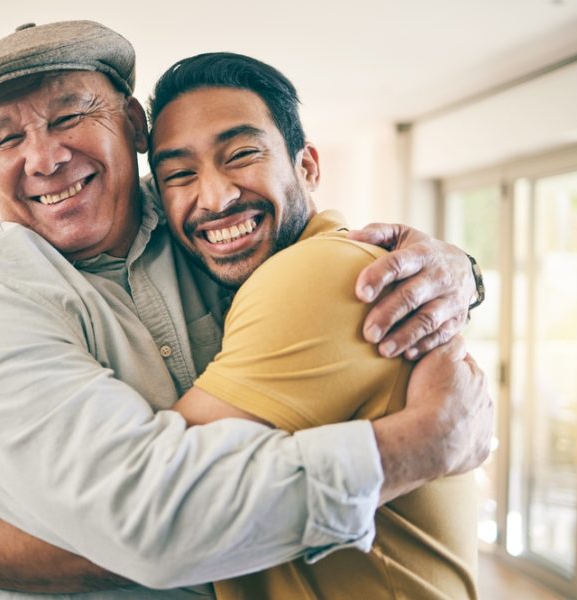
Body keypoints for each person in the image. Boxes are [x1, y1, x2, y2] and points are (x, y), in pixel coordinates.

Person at [0, 20, 491, 599]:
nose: (45, 157)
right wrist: (421, 447)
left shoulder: (204, 229)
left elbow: (314, 246)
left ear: (133, 125)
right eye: (5, 138)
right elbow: (155, 523)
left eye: (69, 116)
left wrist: (460, 270)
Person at [148, 51, 478, 599]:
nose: (215, 197)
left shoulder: (315, 276)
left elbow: (151, 511)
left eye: (242, 154)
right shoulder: (244, 280)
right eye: (179, 174)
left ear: (307, 167)